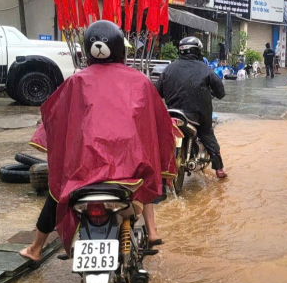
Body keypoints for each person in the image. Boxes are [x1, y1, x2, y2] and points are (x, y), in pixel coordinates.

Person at [20, 21, 175, 261]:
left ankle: (36, 248)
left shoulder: (76, 81)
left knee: (57, 190)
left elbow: (54, 119)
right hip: (128, 169)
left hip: (83, 171)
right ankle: (153, 231)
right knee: (146, 176)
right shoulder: (140, 81)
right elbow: (158, 125)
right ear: (119, 49)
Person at [156, 36, 228, 179]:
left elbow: (157, 92)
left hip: (173, 115)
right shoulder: (204, 68)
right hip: (199, 116)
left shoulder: (169, 68)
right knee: (207, 133)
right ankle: (219, 169)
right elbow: (220, 91)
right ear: (197, 51)